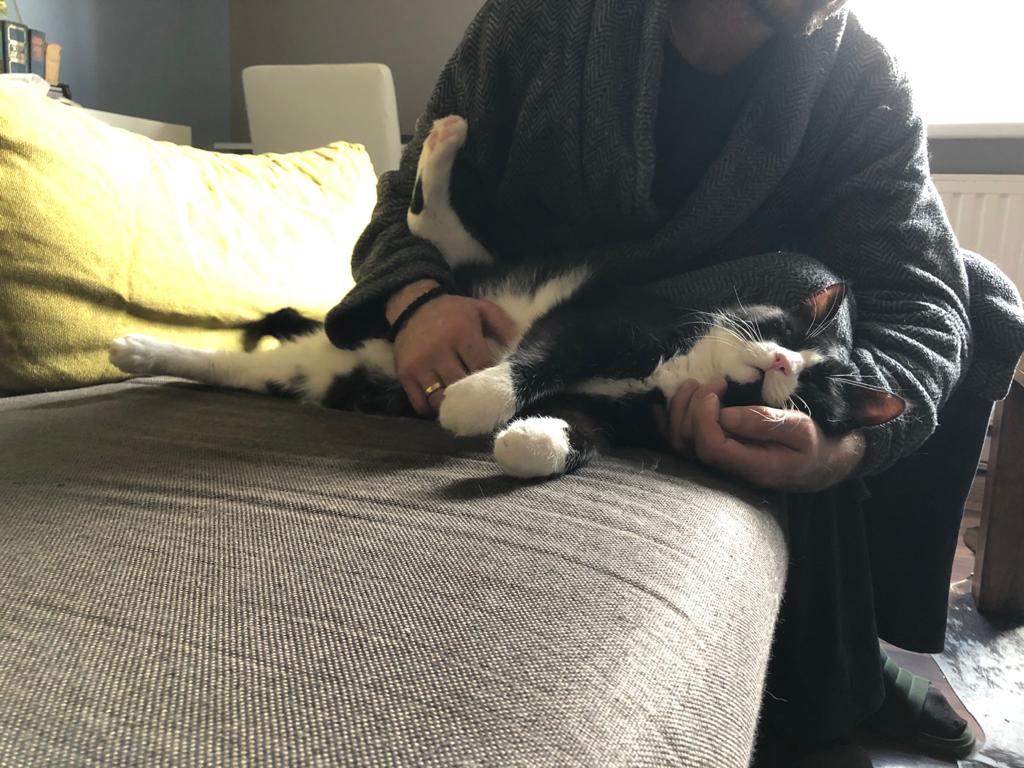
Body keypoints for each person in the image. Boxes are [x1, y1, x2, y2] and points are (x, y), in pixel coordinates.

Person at [325, 0, 1024, 764]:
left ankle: (865, 633)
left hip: (724, 323)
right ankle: (838, 668)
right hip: (555, 306)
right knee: (799, 283)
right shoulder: (537, 21)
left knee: (984, 301)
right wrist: (417, 300)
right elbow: (402, 199)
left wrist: (842, 449)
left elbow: (922, 297)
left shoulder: (860, 73)